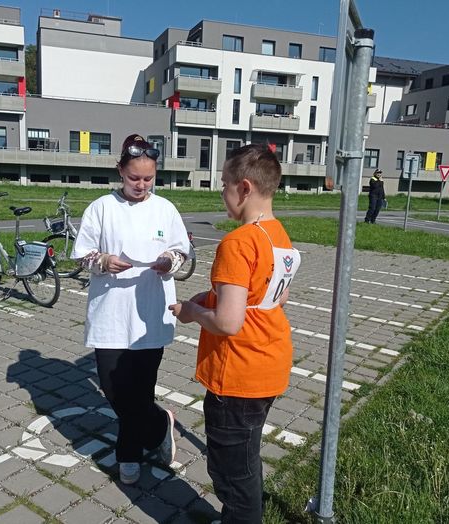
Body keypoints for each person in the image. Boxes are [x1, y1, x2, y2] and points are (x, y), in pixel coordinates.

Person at [169, 144, 301, 523]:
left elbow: (229, 323)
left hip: (238, 374)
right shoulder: (278, 235)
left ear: (244, 188)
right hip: (269, 363)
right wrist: (214, 297)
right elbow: (274, 295)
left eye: (224, 184)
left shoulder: (237, 242)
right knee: (245, 456)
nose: (221, 192)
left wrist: (193, 312)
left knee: (231, 472)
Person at [71, 133, 192, 484]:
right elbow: (82, 254)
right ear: (120, 171)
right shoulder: (102, 207)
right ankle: (158, 426)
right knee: (113, 388)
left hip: (149, 313)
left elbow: (181, 251)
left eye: (148, 178)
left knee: (141, 389)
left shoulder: (165, 208)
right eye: (134, 177)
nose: (141, 185)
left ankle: (128, 454)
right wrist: (102, 260)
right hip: (111, 312)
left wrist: (169, 260)